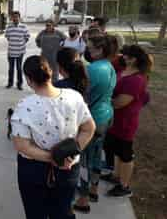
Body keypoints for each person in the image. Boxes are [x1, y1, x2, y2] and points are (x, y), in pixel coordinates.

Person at [11, 55, 96, 219]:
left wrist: (52, 157)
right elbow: (88, 129)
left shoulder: (24, 106)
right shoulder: (74, 96)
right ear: (51, 72)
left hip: (34, 170)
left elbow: (22, 146)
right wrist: (70, 153)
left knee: (36, 213)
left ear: (28, 80)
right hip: (68, 167)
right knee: (62, 212)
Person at [74, 35, 117, 214]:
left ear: (100, 50)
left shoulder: (93, 69)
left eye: (91, 48)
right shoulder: (109, 66)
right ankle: (93, 189)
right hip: (106, 114)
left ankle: (83, 200)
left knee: (84, 160)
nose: (88, 51)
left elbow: (84, 94)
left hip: (92, 118)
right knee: (97, 155)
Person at [101, 45, 152, 198]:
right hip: (116, 121)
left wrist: (104, 101)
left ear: (134, 59)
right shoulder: (124, 72)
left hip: (126, 122)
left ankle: (124, 186)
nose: (123, 56)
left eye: (126, 55)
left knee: (125, 154)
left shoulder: (136, 79)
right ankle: (116, 176)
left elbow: (121, 102)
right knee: (116, 150)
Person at [5, 11, 30, 90]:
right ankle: (10, 83)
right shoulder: (9, 27)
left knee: (19, 68)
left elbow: (27, 37)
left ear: (19, 17)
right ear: (12, 18)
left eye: (17, 17)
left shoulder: (24, 27)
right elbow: (7, 37)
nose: (15, 18)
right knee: (11, 68)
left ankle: (19, 84)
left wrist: (21, 44)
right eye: (14, 17)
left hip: (20, 52)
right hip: (11, 51)